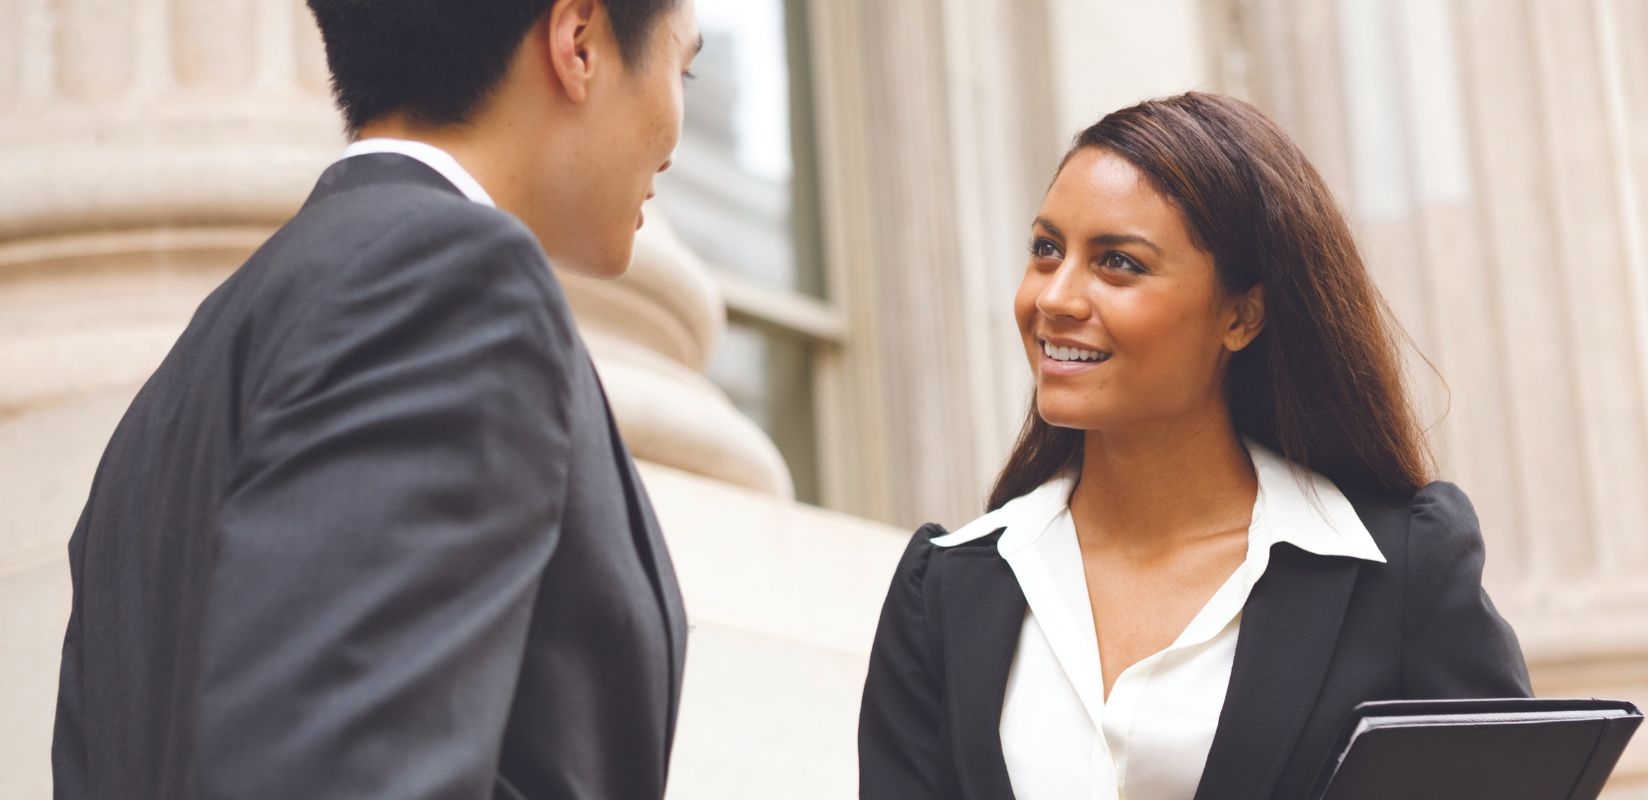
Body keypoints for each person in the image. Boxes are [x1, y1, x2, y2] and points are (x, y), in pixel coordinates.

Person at [52, 1, 702, 796]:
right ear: (578, 42)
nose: (677, 137)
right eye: (685, 67)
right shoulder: (451, 284)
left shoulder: (163, 411)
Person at [857, 92, 1531, 800]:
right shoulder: (944, 591)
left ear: (1242, 315)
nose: (1054, 297)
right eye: (1046, 250)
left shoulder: (1400, 571)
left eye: (1118, 263)